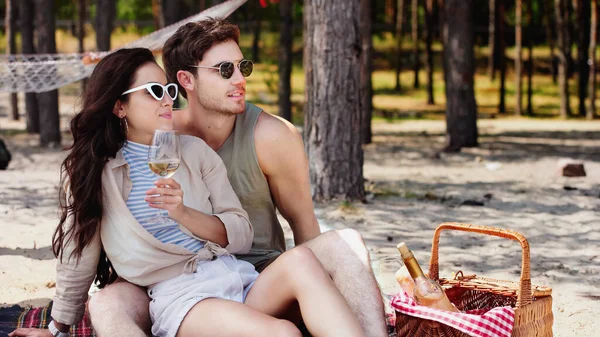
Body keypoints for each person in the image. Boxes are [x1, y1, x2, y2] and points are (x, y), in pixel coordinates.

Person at [9, 48, 365, 337]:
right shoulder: (97, 175)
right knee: (283, 333)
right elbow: (78, 255)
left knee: (302, 260)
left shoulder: (194, 152)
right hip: (181, 296)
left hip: (235, 276)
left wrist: (185, 214)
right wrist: (58, 327)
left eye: (168, 90)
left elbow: (241, 235)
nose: (167, 100)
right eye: (153, 92)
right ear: (119, 106)